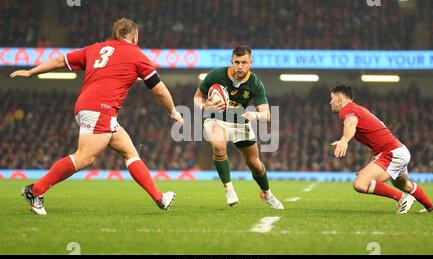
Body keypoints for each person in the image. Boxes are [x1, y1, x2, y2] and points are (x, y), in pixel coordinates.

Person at [10, 18, 183, 215]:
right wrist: (173, 112)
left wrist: (32, 72)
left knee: (129, 152)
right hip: (101, 109)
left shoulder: (95, 49)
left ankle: (159, 197)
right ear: (134, 37)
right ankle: (35, 191)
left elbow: (60, 60)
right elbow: (159, 91)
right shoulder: (137, 54)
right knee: (85, 157)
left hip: (88, 106)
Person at [193, 46, 284, 209]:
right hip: (216, 117)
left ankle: (267, 194)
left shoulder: (255, 83)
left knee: (254, 163)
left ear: (251, 63)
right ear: (231, 62)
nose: (240, 66)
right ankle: (229, 189)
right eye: (237, 62)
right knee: (219, 146)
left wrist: (255, 115)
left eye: (244, 62)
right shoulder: (216, 75)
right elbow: (197, 97)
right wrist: (204, 107)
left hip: (240, 121)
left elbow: (266, 114)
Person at [329, 85, 433, 214]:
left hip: (391, 153)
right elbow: (375, 138)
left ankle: (402, 198)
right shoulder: (359, 109)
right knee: (403, 185)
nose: (330, 102)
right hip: (398, 151)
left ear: (339, 98)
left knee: (360, 184)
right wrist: (370, 166)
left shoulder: (347, 110)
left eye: (331, 98)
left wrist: (344, 140)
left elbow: (350, 124)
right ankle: (432, 209)